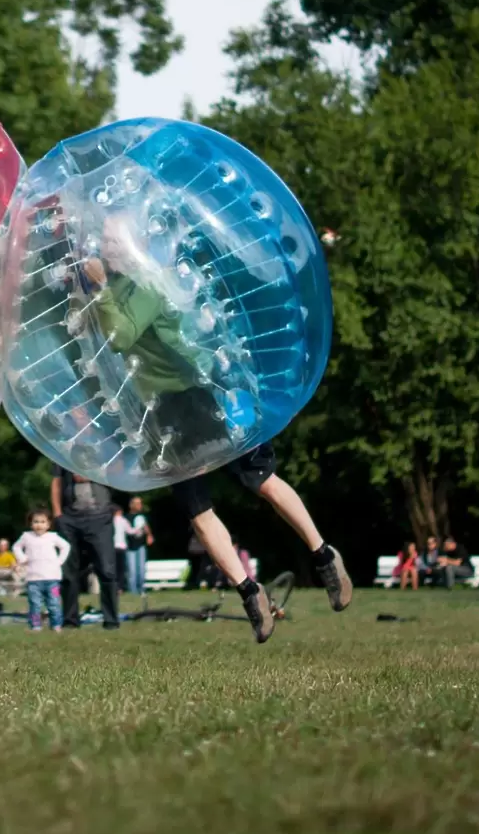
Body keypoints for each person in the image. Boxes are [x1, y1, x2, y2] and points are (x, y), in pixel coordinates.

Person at [83, 221, 350, 642]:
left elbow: (122, 336)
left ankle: (323, 555)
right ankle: (249, 592)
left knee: (258, 479)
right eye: (103, 239)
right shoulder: (113, 288)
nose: (104, 245)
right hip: (160, 410)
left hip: (197, 392)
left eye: (112, 239)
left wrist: (98, 289)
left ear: (133, 242)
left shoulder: (150, 281)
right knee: (196, 509)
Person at [50, 463, 121, 628]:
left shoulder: (104, 447)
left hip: (100, 518)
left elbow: (121, 471)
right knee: (68, 572)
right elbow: (56, 481)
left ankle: (111, 620)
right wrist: (57, 514)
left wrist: (93, 472)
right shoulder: (63, 448)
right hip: (69, 519)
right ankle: (70, 620)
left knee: (107, 570)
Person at [13, 509, 72, 632]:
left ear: (48, 524)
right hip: (33, 580)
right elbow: (16, 547)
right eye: (36, 522)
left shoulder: (53, 537)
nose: (39, 525)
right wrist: (22, 558)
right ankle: (36, 626)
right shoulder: (26, 536)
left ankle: (56, 625)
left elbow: (66, 546)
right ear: (31, 524)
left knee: (54, 603)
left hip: (52, 579)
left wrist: (59, 561)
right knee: (35, 605)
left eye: (42, 522)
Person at [122, 496, 153, 596]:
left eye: (140, 503)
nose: (140, 505)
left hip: (141, 546)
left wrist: (149, 535)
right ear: (131, 505)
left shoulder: (142, 517)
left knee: (141, 569)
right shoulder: (125, 517)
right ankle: (133, 591)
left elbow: (146, 527)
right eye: (137, 503)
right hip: (130, 547)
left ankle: (142, 589)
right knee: (132, 570)